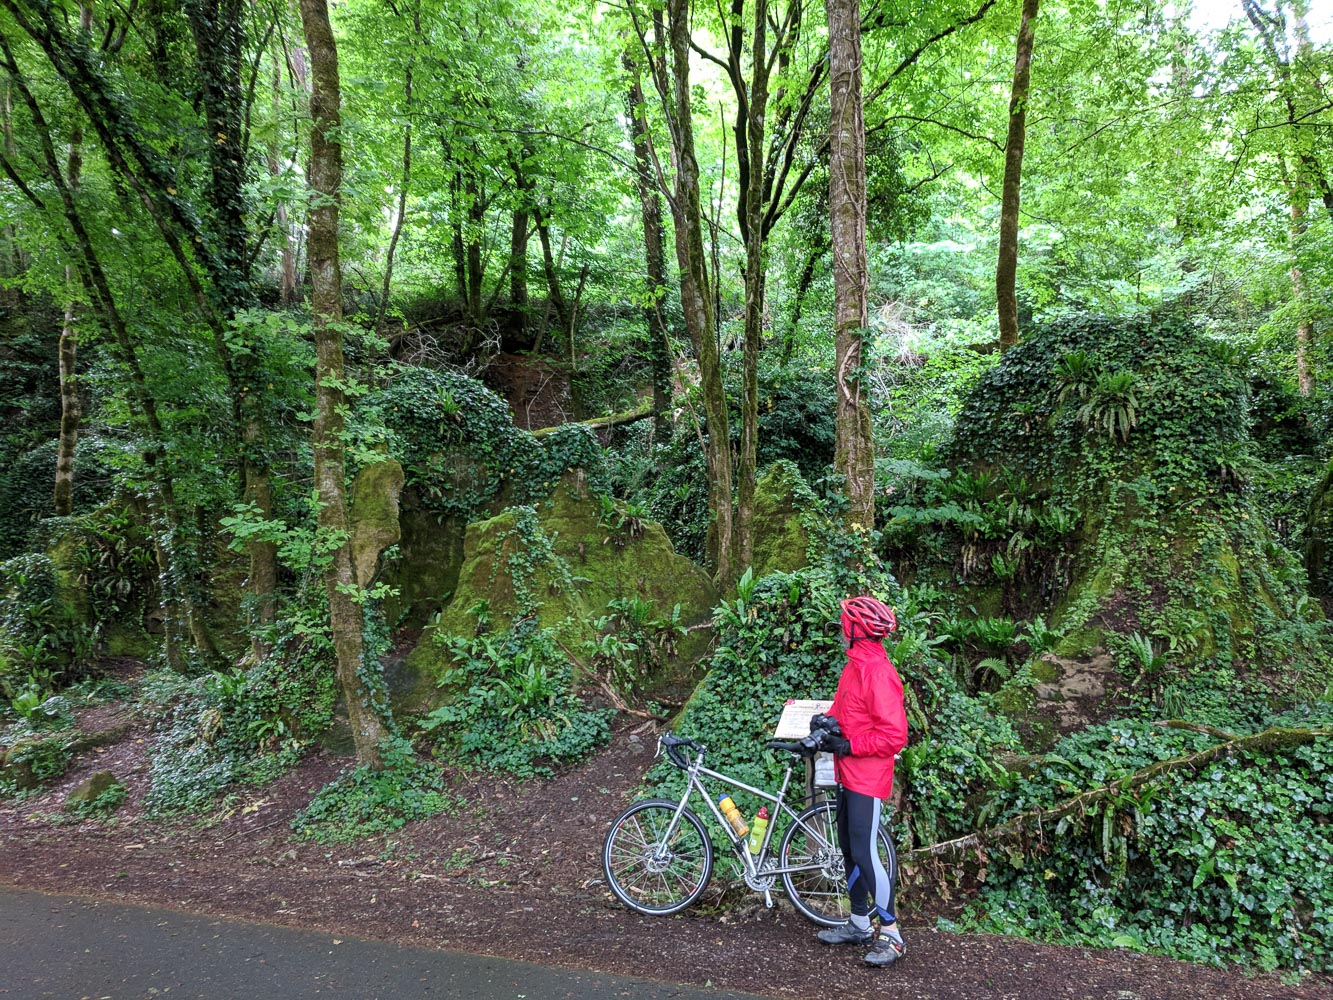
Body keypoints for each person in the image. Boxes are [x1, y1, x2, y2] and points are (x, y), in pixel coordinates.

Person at [813, 595, 908, 967]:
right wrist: (824, 723)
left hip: (867, 777)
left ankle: (892, 934)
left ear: (856, 630)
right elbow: (843, 711)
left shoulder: (878, 673)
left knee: (866, 852)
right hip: (845, 772)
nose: (840, 628)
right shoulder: (855, 666)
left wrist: (849, 745)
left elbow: (894, 735)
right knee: (849, 851)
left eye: (844, 623)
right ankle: (858, 923)